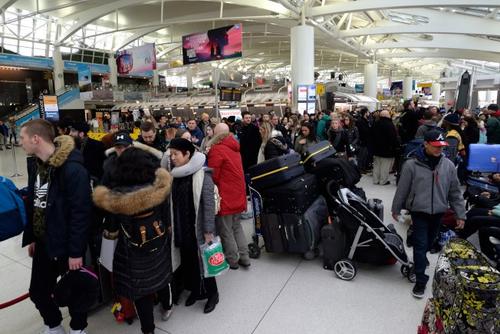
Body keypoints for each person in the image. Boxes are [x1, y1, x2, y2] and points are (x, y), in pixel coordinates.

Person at [20, 119, 93, 334]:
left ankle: (78, 328)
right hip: (44, 242)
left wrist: (76, 252)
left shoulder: (73, 169)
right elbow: (35, 204)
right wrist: (32, 236)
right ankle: (53, 325)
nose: (20, 142)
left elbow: (81, 213)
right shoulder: (36, 165)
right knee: (38, 292)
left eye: (23, 138)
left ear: (36, 138)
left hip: (67, 244)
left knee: (76, 290)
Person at [93, 148, 173, 334]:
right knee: (162, 276)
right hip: (158, 242)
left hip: (131, 252)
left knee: (141, 292)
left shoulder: (117, 197)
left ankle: (148, 329)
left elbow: (112, 227)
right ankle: (167, 305)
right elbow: (165, 214)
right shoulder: (158, 187)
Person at [391, 130, 466, 298]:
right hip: (419, 212)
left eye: (442, 146)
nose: (439, 149)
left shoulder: (448, 166)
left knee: (429, 243)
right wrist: (396, 208)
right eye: (435, 146)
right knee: (420, 245)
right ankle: (420, 281)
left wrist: (460, 214)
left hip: (439, 212)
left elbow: (455, 192)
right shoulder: (411, 165)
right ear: (425, 144)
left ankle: (421, 257)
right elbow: (402, 189)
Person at [168, 138, 219, 314]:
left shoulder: (202, 174)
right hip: (182, 227)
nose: (172, 157)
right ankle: (196, 291)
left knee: (205, 262)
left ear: (187, 154)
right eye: (171, 154)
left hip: (198, 228)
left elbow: (209, 205)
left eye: (176, 154)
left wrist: (208, 231)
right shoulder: (175, 174)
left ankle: (213, 294)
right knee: (189, 262)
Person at [207, 123, 250, 269]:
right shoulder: (235, 147)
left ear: (216, 134)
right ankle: (245, 256)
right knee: (237, 227)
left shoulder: (216, 149)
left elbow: (214, 176)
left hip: (225, 196)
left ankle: (232, 260)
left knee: (226, 230)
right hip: (239, 194)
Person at [371, 110, 399, 185]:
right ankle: (383, 181)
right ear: (387, 115)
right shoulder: (390, 124)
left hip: (376, 149)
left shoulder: (376, 123)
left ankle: (375, 180)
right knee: (385, 166)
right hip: (387, 149)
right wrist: (395, 146)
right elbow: (393, 137)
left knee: (376, 165)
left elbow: (371, 136)